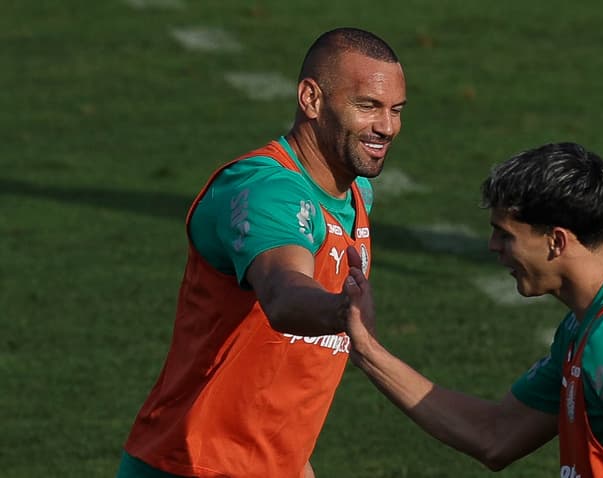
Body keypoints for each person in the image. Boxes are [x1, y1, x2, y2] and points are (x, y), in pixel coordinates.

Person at [342, 142, 603, 477]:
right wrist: (369, 352)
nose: (493, 247)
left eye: (506, 235)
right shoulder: (594, 321)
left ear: (557, 242)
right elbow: (495, 435)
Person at [116, 27, 407, 478]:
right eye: (367, 106)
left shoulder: (358, 196)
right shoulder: (266, 189)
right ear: (311, 99)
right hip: (192, 466)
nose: (386, 126)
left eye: (395, 110)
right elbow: (283, 292)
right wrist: (339, 310)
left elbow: (279, 369)